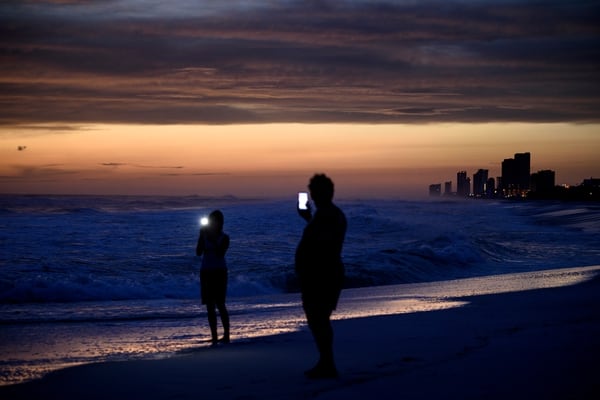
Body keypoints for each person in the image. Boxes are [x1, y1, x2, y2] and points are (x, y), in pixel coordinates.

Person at [295, 174, 347, 379]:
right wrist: (308, 218)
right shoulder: (324, 214)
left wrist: (310, 220)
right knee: (318, 319)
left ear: (326, 192)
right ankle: (326, 362)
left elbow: (323, 245)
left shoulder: (329, 215)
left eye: (315, 191)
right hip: (320, 273)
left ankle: (327, 363)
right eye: (312, 191)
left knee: (319, 319)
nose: (313, 195)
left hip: (323, 274)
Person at [196, 209, 230, 346]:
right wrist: (201, 236)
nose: (212, 223)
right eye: (211, 220)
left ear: (220, 222)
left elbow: (220, 253)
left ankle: (226, 335)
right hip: (206, 271)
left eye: (214, 220)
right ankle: (214, 336)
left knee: (220, 304)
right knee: (209, 305)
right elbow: (198, 252)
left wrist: (211, 239)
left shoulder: (224, 237)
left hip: (220, 272)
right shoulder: (204, 235)